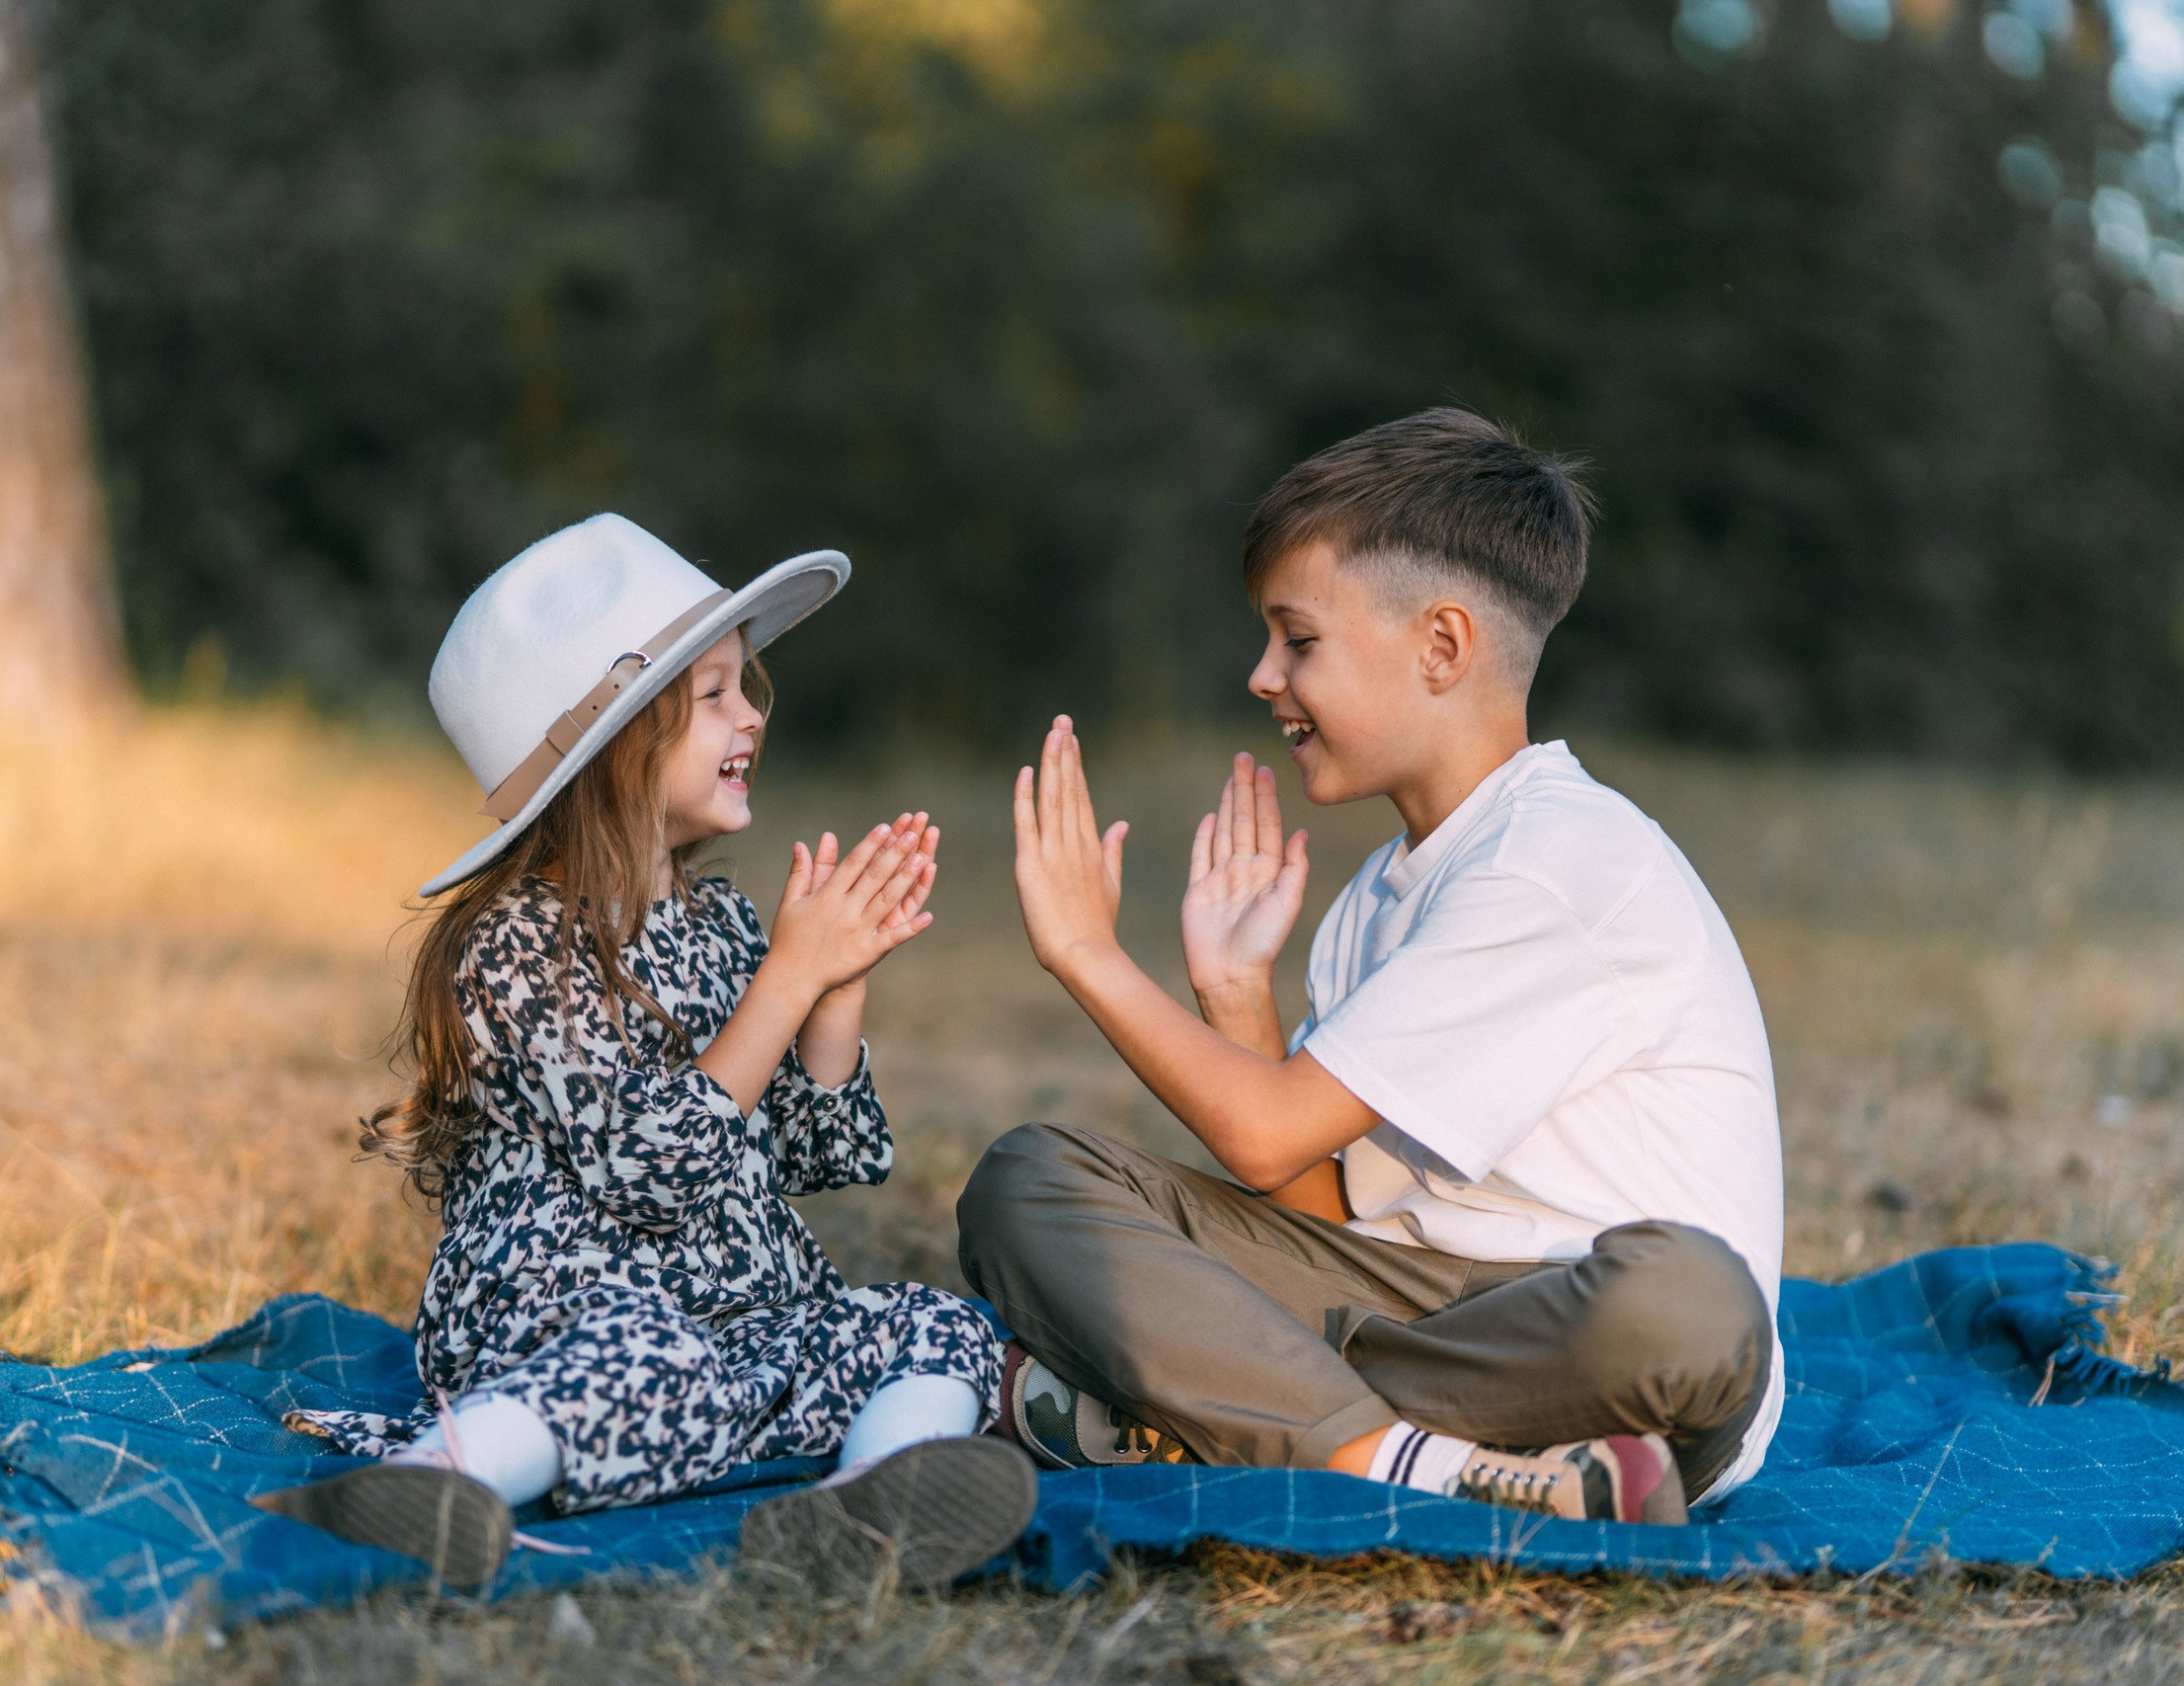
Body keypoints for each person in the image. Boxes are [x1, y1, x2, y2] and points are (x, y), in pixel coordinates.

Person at [964, 409, 1783, 1525]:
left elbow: (1262, 1136)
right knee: (1029, 1177)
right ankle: (1407, 1462)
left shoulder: (1558, 860)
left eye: (1296, 640)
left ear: (1441, 647)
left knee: (1690, 1299)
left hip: (1587, 1340)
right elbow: (1326, 1206)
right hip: (1405, 1309)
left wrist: (1085, 954)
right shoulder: (1372, 904)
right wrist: (1236, 997)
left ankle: (1210, 1407)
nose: (1261, 677)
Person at [256, 514, 1035, 1591]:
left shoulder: (720, 926)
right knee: (651, 1366)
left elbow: (820, 1156)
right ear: (615, 745)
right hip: (568, 1325)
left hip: (740, 1318)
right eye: (710, 694)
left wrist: (834, 988)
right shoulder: (516, 946)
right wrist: (785, 984)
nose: (750, 711)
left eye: (744, 684)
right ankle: (443, 1477)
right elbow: (654, 1170)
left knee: (933, 1326)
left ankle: (870, 1502)